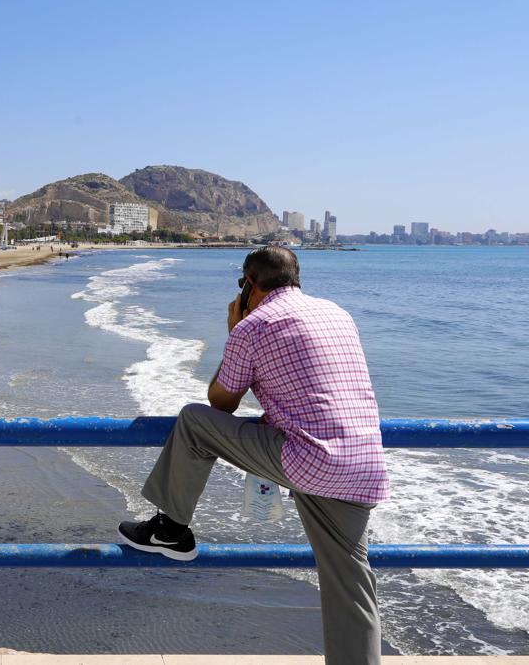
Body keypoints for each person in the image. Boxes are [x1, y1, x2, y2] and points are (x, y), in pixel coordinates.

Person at [117, 246, 387, 665]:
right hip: (363, 463)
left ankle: (172, 529)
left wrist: (233, 330)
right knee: (351, 587)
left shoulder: (253, 326)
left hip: (306, 459)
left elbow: (220, 403)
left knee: (193, 420)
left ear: (249, 284)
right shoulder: (337, 313)